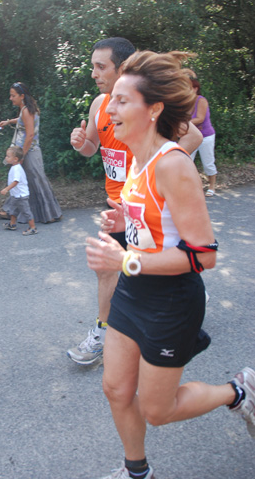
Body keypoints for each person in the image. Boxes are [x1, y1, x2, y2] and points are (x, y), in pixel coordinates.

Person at [85, 50, 255, 479]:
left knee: (157, 410)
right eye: (113, 99)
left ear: (153, 108)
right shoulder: (137, 159)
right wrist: (125, 219)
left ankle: (238, 391)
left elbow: (204, 255)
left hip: (170, 302)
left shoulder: (173, 164)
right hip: (133, 293)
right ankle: (137, 472)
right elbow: (155, 222)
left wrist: (126, 258)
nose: (111, 107)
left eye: (123, 101)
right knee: (116, 389)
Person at [67, 38, 203, 365]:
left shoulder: (145, 109)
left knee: (139, 267)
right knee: (110, 270)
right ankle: (108, 332)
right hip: (117, 207)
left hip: (143, 210)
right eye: (92, 66)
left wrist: (155, 172)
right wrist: (81, 143)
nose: (94, 73)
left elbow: (194, 136)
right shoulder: (100, 105)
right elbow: (93, 150)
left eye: (101, 67)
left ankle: (178, 307)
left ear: (122, 67)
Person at [0, 82, 62, 224]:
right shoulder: (26, 109)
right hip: (29, 152)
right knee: (28, 182)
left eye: (13, 95)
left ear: (22, 96)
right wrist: (8, 122)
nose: (10, 98)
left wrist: (22, 155)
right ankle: (16, 211)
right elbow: (23, 121)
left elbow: (30, 134)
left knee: (33, 182)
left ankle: (47, 215)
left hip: (29, 153)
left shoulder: (26, 110)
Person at [0, 146, 37, 236]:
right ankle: (12, 224)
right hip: (16, 195)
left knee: (26, 212)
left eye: (8, 156)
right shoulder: (14, 167)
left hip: (21, 196)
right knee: (13, 210)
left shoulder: (17, 169)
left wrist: (6, 189)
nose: (6, 158)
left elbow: (16, 181)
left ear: (15, 159)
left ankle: (33, 228)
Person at [190, 77, 217, 197]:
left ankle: (212, 187)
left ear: (195, 88)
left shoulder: (201, 100)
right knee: (185, 161)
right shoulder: (184, 101)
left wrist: (182, 123)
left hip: (206, 136)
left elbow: (200, 118)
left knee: (208, 163)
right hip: (190, 136)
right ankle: (190, 187)